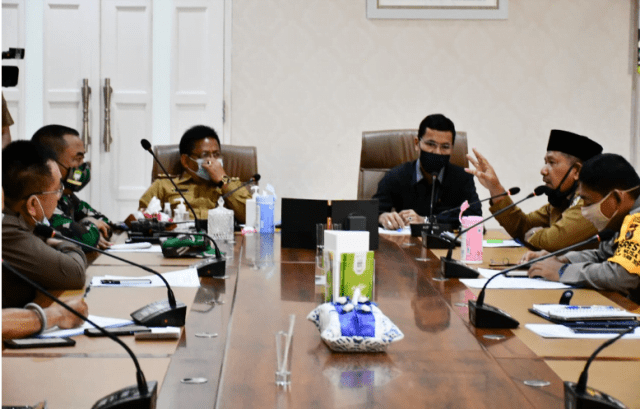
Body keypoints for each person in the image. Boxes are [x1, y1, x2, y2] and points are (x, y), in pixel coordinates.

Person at [524, 154, 640, 303]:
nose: (583, 210)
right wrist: (561, 259)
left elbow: (622, 276)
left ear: (616, 197)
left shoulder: (637, 219)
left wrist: (562, 271)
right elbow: (603, 255)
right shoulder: (623, 219)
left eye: (588, 202)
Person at [466, 129, 602, 251]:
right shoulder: (560, 201)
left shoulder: (591, 205)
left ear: (576, 171)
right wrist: (495, 188)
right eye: (545, 162)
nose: (543, 170)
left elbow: (553, 242)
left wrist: (533, 234)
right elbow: (522, 226)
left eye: (552, 162)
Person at [2, 141, 87, 308]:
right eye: (57, 190)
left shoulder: (23, 221)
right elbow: (75, 273)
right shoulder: (8, 231)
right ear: (33, 205)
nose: (59, 197)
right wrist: (63, 243)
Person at [375, 114, 481, 230]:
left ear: (452, 148)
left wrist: (426, 221)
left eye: (445, 146)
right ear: (417, 144)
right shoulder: (396, 176)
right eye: (431, 144)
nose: (437, 152)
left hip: (447, 241)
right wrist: (381, 217)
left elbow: (475, 218)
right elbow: (370, 213)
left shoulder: (462, 178)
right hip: (408, 240)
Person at [139, 125, 251, 223]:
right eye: (205, 155)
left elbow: (250, 217)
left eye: (216, 155)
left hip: (220, 238)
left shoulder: (232, 185)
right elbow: (141, 219)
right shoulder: (163, 186)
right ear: (186, 161)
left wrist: (224, 180)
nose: (212, 161)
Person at [31, 125, 113, 249]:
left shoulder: (66, 196)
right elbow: (87, 239)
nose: (83, 166)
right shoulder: (43, 201)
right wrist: (89, 223)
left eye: (82, 159)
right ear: (51, 163)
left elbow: (105, 222)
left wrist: (89, 226)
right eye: (77, 159)